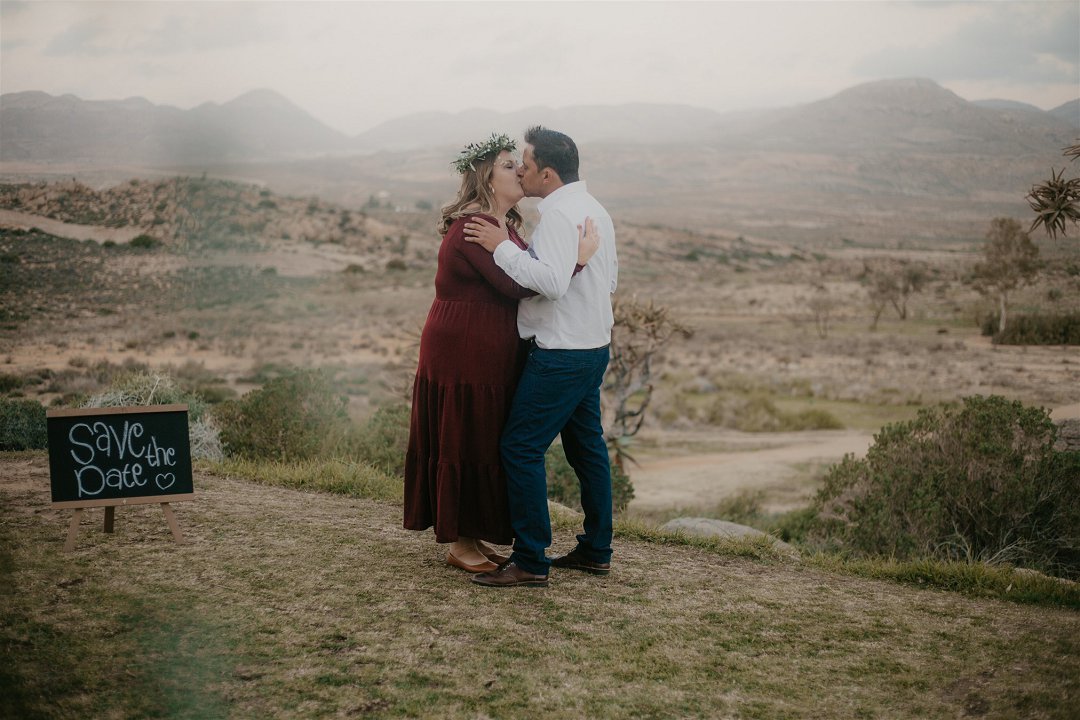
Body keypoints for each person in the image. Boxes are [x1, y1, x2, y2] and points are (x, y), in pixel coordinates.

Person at [403, 133, 599, 574]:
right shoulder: (474, 227)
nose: (520, 171)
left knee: (485, 436)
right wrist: (579, 261)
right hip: (463, 347)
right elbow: (520, 285)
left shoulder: (504, 229)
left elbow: (530, 278)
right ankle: (460, 542)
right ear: (487, 179)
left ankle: (472, 534)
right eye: (510, 165)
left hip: (490, 347)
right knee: (465, 434)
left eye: (520, 164)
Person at [463, 126, 618, 588]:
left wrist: (503, 248)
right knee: (587, 449)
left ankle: (530, 560)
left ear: (547, 174)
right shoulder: (595, 210)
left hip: (561, 352)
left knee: (520, 446)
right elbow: (606, 282)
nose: (521, 170)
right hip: (593, 346)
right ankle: (596, 549)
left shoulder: (556, 218)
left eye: (526, 164)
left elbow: (550, 283)